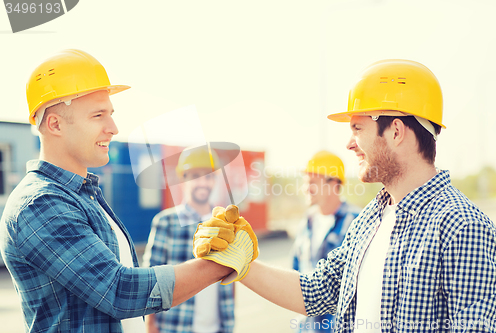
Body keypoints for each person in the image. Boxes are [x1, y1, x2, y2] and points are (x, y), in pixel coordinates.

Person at [195, 59, 496, 332]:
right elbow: (316, 292)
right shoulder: (370, 220)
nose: (349, 144)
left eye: (357, 128)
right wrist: (240, 262)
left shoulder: (464, 228)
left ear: (395, 132)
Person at [0, 49, 257, 333]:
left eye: (110, 114)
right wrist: (221, 263)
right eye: (98, 115)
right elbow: (119, 292)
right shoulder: (41, 204)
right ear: (55, 124)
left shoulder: (83, 195)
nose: (113, 128)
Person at [142, 146, 235, 333]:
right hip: (175, 327)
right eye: (196, 176)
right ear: (182, 179)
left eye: (208, 176)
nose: (203, 183)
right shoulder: (165, 222)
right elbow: (150, 279)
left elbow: (232, 278)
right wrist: (150, 325)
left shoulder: (225, 224)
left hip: (217, 328)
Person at [291, 150, 359, 332]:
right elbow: (295, 270)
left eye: (312, 183)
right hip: (306, 327)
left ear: (333, 184)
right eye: (306, 182)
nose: (306, 188)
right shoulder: (307, 221)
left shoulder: (357, 222)